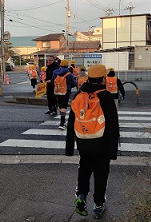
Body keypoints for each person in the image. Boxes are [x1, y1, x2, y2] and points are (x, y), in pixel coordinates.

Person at [65, 64, 119, 219]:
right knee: (101, 174)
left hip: (83, 143)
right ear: (103, 78)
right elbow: (113, 126)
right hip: (102, 145)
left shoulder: (78, 95)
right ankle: (98, 205)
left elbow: (71, 123)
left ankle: (81, 195)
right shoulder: (106, 96)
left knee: (84, 169)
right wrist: (112, 152)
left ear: (88, 78)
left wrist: (70, 148)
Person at [52, 59, 77, 129]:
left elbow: (52, 82)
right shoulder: (69, 74)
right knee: (64, 106)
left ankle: (62, 122)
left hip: (57, 91)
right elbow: (74, 83)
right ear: (67, 65)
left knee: (60, 105)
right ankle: (62, 123)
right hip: (66, 91)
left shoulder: (55, 73)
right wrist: (69, 86)